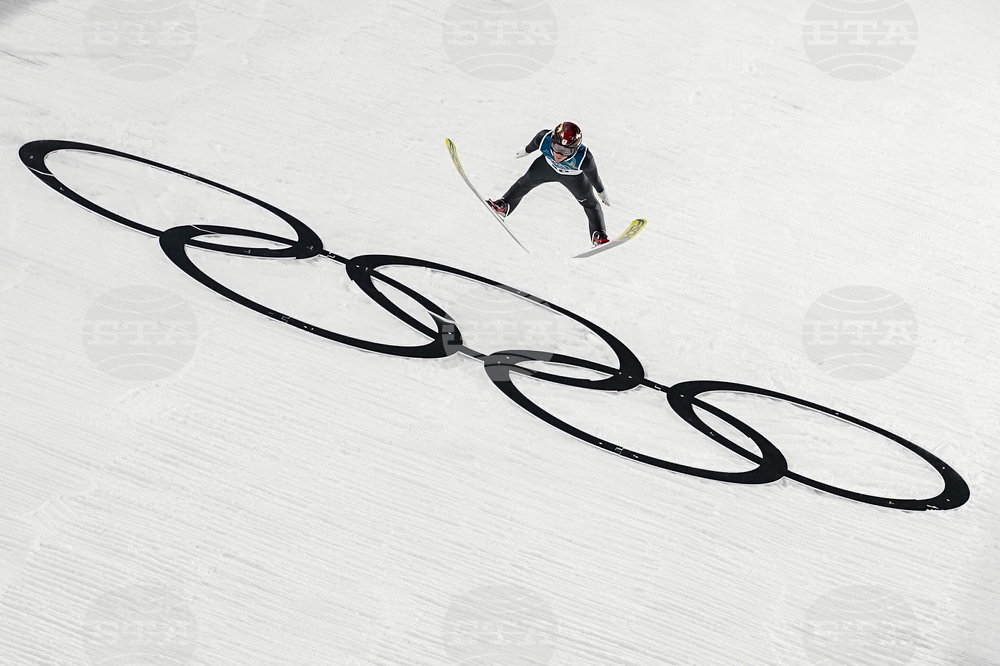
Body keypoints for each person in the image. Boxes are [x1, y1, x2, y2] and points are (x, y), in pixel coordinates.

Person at [487, 122, 611, 246]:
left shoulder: (585, 158)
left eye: (566, 151)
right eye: (557, 147)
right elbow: (532, 145)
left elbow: (594, 177)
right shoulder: (543, 138)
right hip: (546, 167)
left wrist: (601, 192)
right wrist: (525, 151)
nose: (559, 154)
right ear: (552, 141)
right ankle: (505, 205)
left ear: (575, 149)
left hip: (573, 177)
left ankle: (598, 234)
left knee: (590, 204)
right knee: (524, 183)